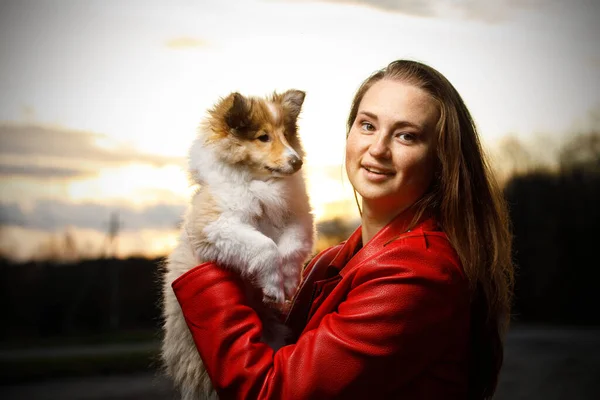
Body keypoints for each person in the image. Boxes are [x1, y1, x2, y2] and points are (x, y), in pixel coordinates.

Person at [171, 59, 515, 399]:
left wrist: (201, 259)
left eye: (406, 136)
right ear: (349, 133)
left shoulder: (416, 275)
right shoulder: (335, 260)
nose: (378, 149)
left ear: (441, 160)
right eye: (367, 126)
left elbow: (273, 392)